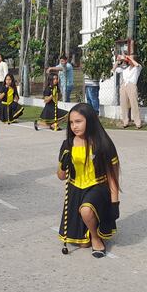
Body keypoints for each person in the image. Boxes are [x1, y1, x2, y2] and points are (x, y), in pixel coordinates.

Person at [57, 103, 120, 258]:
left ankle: (96, 238)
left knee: (86, 210)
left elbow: (113, 177)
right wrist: (63, 165)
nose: (74, 126)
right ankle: (90, 230)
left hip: (97, 186)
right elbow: (61, 176)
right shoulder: (67, 145)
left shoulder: (103, 144)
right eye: (71, 122)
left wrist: (115, 203)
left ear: (90, 121)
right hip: (75, 189)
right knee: (82, 244)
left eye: (78, 121)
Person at [114, 54, 142, 129]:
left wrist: (130, 58)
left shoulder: (137, 68)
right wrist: (118, 61)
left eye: (130, 59)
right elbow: (114, 69)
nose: (129, 60)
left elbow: (136, 65)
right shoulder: (125, 69)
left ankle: (138, 123)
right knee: (124, 104)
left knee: (134, 104)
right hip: (124, 86)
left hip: (132, 85)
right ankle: (125, 122)